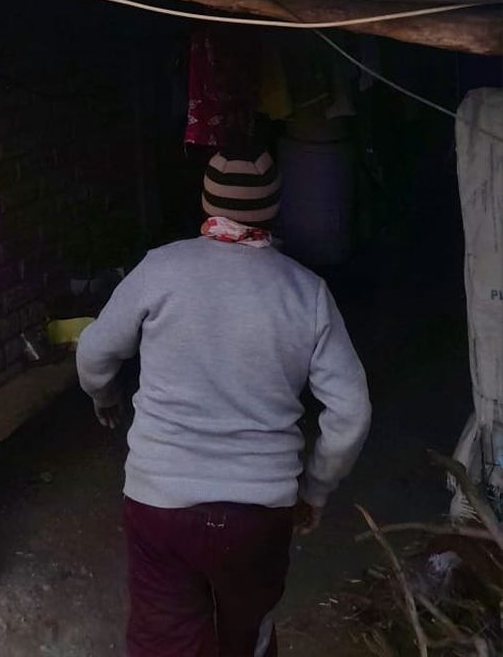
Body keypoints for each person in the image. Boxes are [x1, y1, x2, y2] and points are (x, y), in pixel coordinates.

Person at [76, 145, 371, 657]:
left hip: (159, 504)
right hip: (258, 514)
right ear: (274, 209)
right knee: (246, 636)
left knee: (162, 636)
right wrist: (315, 489)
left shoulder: (160, 269)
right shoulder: (308, 293)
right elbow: (351, 413)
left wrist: (104, 396)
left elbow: (95, 351)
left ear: (206, 203)